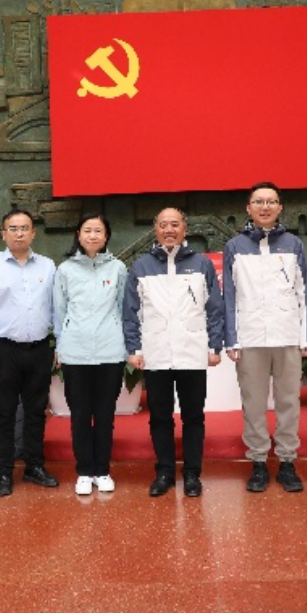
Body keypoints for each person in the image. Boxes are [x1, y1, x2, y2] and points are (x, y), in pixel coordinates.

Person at [123, 208, 224, 497]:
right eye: (163, 225)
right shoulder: (141, 266)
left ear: (185, 229)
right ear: (155, 230)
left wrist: (214, 346)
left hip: (192, 352)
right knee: (160, 417)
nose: (169, 230)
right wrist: (134, 348)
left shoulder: (201, 264)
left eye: (175, 224)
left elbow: (214, 308)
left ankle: (192, 474)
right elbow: (130, 312)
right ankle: (164, 472)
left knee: (193, 417)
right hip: (155, 354)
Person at [223, 182, 307, 493]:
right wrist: (232, 339)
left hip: (287, 335)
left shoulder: (293, 244)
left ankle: (287, 461)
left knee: (289, 402)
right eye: (259, 202)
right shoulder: (235, 247)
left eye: (271, 201)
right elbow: (229, 296)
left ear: (280, 207)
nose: (265, 207)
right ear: (248, 208)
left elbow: (303, 292)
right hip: (250, 338)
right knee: (253, 403)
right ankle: (259, 462)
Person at [0, 209, 59, 497]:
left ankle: (34, 466)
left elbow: (57, 310)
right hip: (5, 350)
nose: (19, 233)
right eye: (13, 228)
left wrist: (59, 345)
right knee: (4, 413)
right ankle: (4, 472)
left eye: (24, 228)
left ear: (33, 233)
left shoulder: (47, 266)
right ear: (3, 233)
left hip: (40, 349)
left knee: (36, 411)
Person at [53, 213, 128, 495]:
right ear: (78, 234)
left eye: (98, 231)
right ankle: (84, 471)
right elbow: (59, 311)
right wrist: (61, 346)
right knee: (81, 415)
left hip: (110, 351)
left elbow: (123, 307)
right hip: (75, 352)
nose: (93, 236)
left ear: (106, 236)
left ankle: (103, 470)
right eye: (87, 230)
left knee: (105, 415)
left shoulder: (118, 268)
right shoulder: (65, 270)